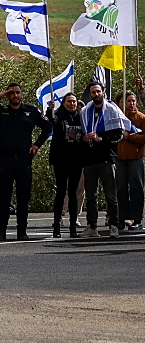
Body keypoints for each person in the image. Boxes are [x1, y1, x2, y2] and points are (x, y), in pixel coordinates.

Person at [0, 83, 52, 241]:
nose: (15, 96)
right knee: (4, 198)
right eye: (11, 93)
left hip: (24, 161)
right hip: (6, 161)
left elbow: (47, 127)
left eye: (17, 93)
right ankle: (1, 231)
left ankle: (22, 232)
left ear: (21, 94)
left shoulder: (31, 111)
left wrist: (37, 144)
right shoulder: (1, 111)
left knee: (23, 198)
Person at [80, 82, 127, 238]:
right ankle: (92, 226)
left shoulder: (112, 110)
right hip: (89, 159)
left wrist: (100, 138)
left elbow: (118, 134)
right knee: (91, 195)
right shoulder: (85, 111)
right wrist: (84, 138)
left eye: (98, 91)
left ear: (103, 92)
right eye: (93, 92)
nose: (96, 94)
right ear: (90, 94)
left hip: (106, 158)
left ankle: (114, 225)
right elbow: (79, 133)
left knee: (110, 195)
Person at [46, 93, 85, 238]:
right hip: (61, 160)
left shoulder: (81, 117)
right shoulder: (59, 116)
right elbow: (52, 119)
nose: (72, 104)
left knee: (73, 192)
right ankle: (56, 225)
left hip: (76, 160)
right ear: (63, 103)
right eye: (69, 101)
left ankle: (73, 226)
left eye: (74, 101)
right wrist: (50, 111)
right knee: (61, 192)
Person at [114, 90, 145, 231]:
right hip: (120, 159)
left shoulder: (141, 118)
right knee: (121, 189)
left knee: (136, 188)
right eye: (128, 101)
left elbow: (143, 138)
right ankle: (122, 218)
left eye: (133, 101)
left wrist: (129, 137)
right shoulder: (118, 118)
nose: (131, 103)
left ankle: (137, 219)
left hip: (136, 158)